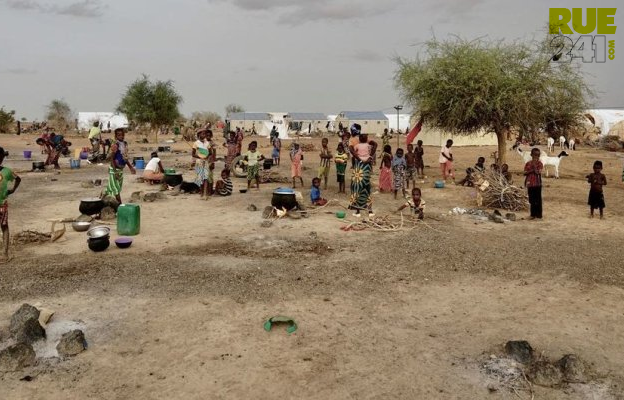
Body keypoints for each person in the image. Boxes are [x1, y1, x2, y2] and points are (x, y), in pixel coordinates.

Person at [0, 147, 21, 262]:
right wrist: (12, 190)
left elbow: (18, 179)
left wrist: (12, 190)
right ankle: (4, 253)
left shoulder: (7, 171)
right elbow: (18, 179)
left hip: (2, 205)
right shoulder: (7, 171)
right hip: (2, 205)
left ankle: (5, 253)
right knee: (4, 227)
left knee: (4, 227)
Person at [104, 128, 136, 204]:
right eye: (119, 135)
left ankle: (101, 198)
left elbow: (125, 158)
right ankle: (120, 205)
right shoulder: (115, 145)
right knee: (116, 190)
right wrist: (115, 171)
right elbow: (112, 158)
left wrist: (131, 167)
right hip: (114, 170)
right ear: (116, 136)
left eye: (122, 135)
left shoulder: (124, 144)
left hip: (120, 170)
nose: (121, 136)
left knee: (112, 188)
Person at [349, 133, 374, 217]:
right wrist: (370, 157)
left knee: (357, 188)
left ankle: (358, 211)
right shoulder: (369, 146)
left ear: (359, 139)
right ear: (366, 139)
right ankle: (370, 211)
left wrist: (359, 158)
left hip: (359, 169)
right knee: (367, 189)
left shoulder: (357, 146)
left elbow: (352, 152)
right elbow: (374, 146)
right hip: (366, 169)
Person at [524, 148, 543, 220]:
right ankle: (533, 214)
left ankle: (539, 215)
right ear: (531, 155)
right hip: (530, 184)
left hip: (537, 184)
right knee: (531, 200)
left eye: (538, 155)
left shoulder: (540, 164)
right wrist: (532, 170)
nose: (536, 157)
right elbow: (525, 172)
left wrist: (533, 167)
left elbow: (538, 172)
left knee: (538, 200)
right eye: (535, 155)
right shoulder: (528, 163)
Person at [192, 129, 213, 199]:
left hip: (206, 162)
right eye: (203, 134)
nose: (204, 135)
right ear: (199, 135)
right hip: (199, 162)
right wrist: (200, 157)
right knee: (200, 178)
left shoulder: (207, 143)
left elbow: (210, 152)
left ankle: (205, 193)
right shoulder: (196, 143)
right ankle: (201, 193)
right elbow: (193, 154)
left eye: (205, 134)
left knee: (206, 178)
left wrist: (206, 157)